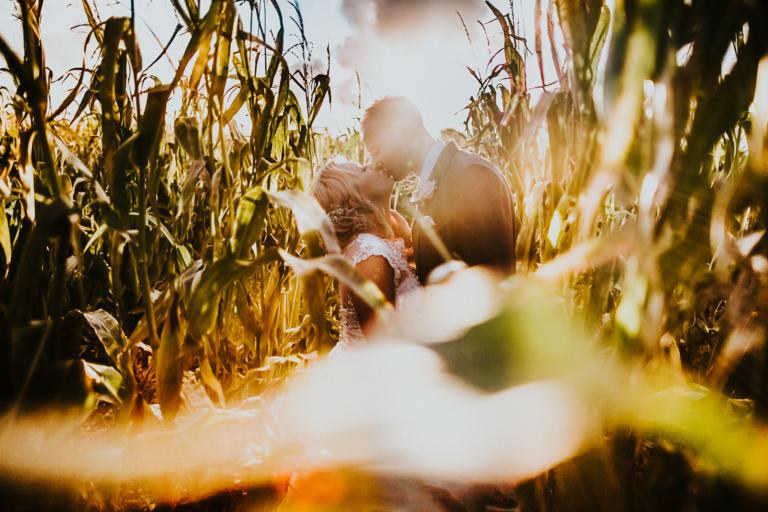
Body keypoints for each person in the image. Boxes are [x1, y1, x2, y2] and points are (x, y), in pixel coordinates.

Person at [361, 96, 517, 284]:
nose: (376, 163)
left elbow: (487, 279)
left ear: (401, 133)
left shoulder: (470, 175)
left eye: (376, 151)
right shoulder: (440, 179)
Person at [311, 159, 419, 355]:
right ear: (353, 198)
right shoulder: (369, 254)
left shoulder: (380, 240)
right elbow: (384, 349)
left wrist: (411, 244)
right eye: (362, 169)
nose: (374, 163)